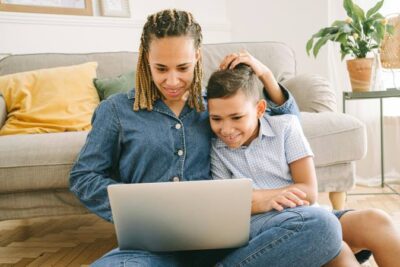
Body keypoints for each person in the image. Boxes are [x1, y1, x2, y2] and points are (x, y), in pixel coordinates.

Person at [70, 9, 343, 266]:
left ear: (198, 57)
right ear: (145, 59)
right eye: (161, 68)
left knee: (321, 225)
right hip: (151, 248)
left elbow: (285, 125)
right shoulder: (116, 111)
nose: (173, 80)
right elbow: (84, 176)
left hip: (230, 240)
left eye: (183, 67)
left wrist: (265, 74)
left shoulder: (214, 107)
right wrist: (134, 210)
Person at [207, 62, 400, 267]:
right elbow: (228, 205)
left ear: (260, 109)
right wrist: (270, 198)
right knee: (337, 248)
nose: (226, 129)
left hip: (309, 215)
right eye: (216, 119)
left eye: (237, 117)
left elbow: (308, 191)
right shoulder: (215, 148)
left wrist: (254, 198)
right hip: (262, 228)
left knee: (376, 221)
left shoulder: (286, 128)